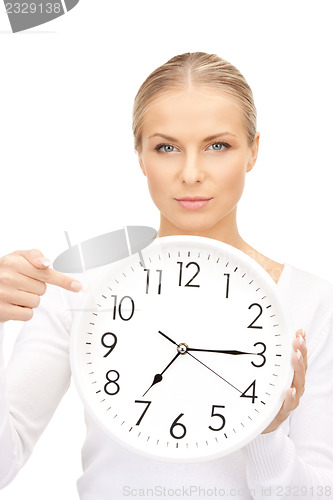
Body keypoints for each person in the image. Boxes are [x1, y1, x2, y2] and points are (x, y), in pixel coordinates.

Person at [0, 51, 332, 499]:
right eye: (166, 147)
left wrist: (267, 434)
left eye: (218, 146)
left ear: (253, 150)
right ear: (140, 155)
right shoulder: (77, 288)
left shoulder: (312, 302)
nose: (190, 174)